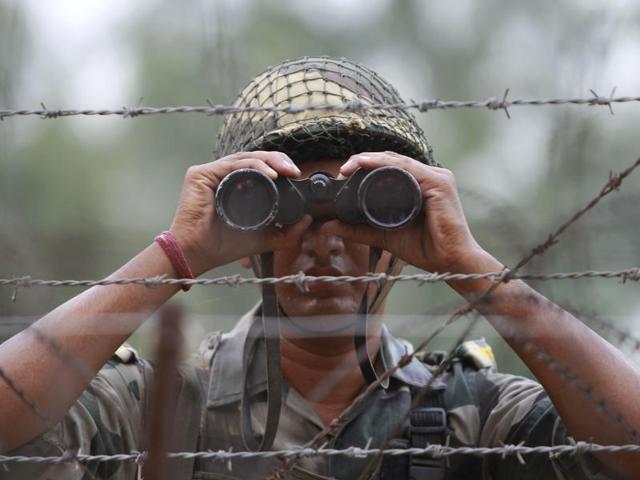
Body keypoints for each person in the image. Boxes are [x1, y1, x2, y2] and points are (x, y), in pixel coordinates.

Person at [0, 56, 638, 480]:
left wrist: (469, 266)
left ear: (401, 228)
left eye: (368, 209)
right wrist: (178, 254)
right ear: (248, 233)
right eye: (283, 209)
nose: (324, 240)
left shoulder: (466, 411)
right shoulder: (165, 403)